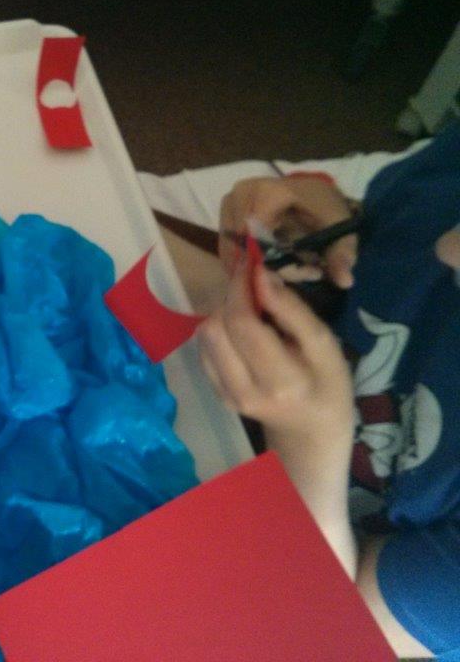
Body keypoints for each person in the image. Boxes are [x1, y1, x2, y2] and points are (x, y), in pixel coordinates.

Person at [181, 123, 460, 659]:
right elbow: (389, 220)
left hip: (294, 557)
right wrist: (330, 217)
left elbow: (322, 634)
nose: (445, 250)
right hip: (231, 402)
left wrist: (306, 447)